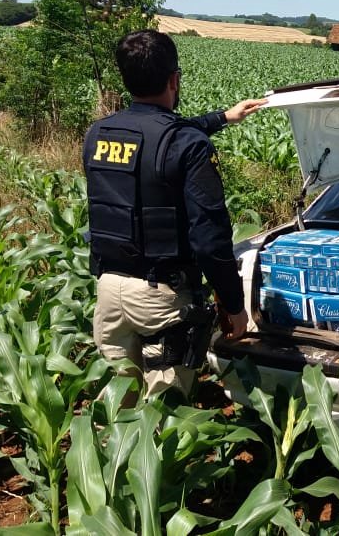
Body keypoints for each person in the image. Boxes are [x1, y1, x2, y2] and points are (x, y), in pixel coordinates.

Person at [83, 29, 266, 403]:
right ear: (174, 79)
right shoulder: (187, 145)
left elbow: (159, 136)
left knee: (120, 408)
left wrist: (223, 118)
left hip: (107, 293)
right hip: (161, 300)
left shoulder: (98, 134)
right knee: (164, 417)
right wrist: (233, 306)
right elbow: (209, 238)